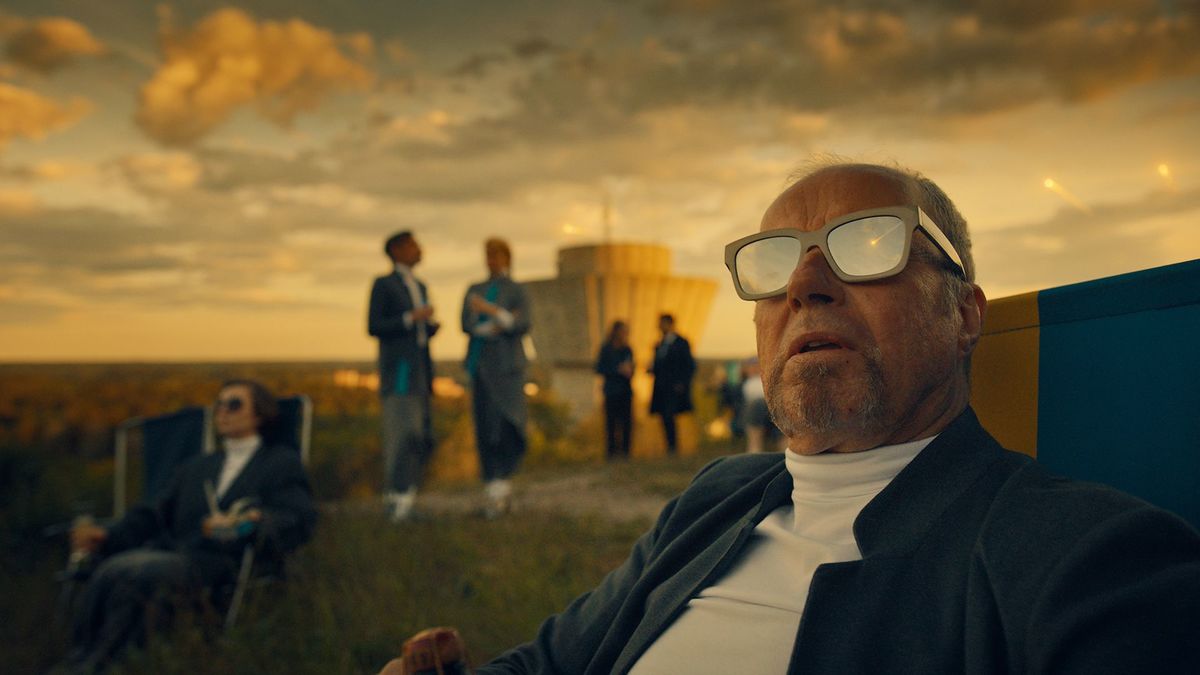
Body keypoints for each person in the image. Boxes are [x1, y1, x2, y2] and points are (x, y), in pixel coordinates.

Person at [458, 162, 1200, 672]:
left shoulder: (1083, 557)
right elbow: (547, 661)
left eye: (869, 244)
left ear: (964, 314)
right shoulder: (713, 500)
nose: (805, 284)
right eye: (775, 261)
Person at [64, 380, 317, 673]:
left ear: (260, 414)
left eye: (234, 404)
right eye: (219, 404)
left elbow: (297, 516)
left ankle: (102, 665)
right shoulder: (197, 467)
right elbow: (154, 513)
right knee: (111, 569)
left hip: (226, 563)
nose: (223, 411)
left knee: (137, 573)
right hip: (180, 554)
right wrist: (107, 535)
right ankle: (82, 657)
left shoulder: (280, 463)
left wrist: (249, 522)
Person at [368, 231, 440, 522]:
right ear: (397, 250)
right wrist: (412, 318)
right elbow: (374, 325)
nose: (419, 249)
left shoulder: (420, 285)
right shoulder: (384, 284)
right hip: (400, 371)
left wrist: (429, 326)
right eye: (413, 245)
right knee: (402, 432)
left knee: (421, 434)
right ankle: (396, 500)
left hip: (421, 369)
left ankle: (408, 496)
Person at [461, 238, 531, 518]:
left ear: (507, 258)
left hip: (508, 369)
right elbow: (466, 323)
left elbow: (522, 323)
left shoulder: (516, 290)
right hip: (482, 367)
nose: (491, 260)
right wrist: (501, 320)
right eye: (488, 255)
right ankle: (493, 485)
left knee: (508, 423)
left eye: (496, 255)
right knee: (486, 424)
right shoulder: (474, 289)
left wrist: (490, 311)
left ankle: (504, 480)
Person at [648, 313, 696, 455]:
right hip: (661, 387)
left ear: (669, 324)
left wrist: (682, 383)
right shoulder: (660, 344)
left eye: (662, 323)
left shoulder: (681, 343)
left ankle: (673, 447)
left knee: (670, 415)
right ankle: (669, 446)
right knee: (664, 417)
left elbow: (689, 365)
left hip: (674, 387)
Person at [594, 320, 635, 461]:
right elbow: (599, 368)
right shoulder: (606, 349)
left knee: (626, 423)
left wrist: (629, 371)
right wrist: (617, 370)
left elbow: (632, 368)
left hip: (625, 392)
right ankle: (611, 452)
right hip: (611, 392)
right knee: (611, 423)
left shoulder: (627, 349)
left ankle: (625, 452)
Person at [739, 356, 778, 453]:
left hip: (773, 411)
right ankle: (754, 449)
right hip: (754, 412)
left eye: (756, 365)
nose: (754, 368)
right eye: (752, 366)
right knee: (756, 405)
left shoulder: (771, 380)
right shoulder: (743, 383)